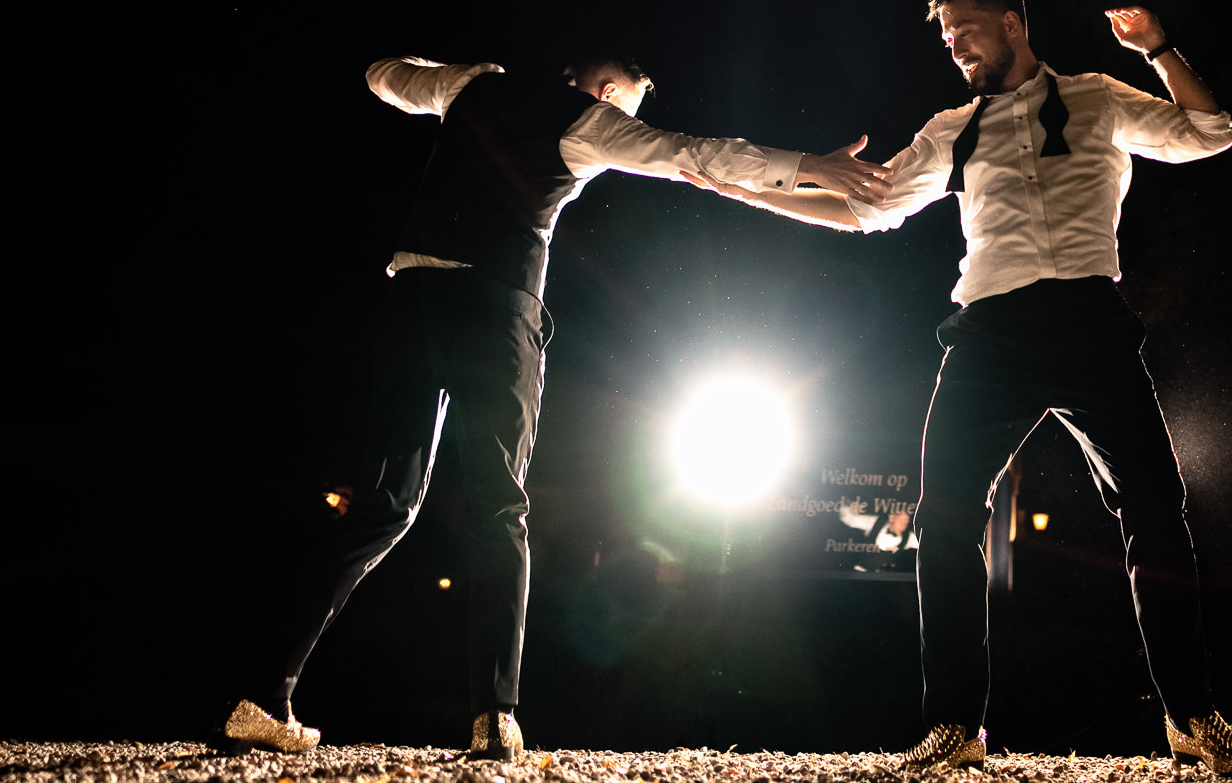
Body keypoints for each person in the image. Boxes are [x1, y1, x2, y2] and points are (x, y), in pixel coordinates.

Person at [213, 52, 892, 759]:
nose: (624, 121)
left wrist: (453, 68)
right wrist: (810, 164)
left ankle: (260, 696)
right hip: (495, 312)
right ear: (606, 93)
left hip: (410, 301)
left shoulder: (470, 86)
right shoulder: (589, 121)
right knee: (499, 507)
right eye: (626, 107)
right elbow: (694, 152)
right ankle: (494, 715)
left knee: (383, 505)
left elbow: (381, 76)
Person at [685, 0, 1232, 775]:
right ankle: (955, 725)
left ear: (1013, 25)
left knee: (1157, 512)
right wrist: (753, 194)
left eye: (966, 27)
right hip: (991, 331)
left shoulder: (1098, 96)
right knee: (946, 514)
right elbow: (868, 208)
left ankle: (1194, 718)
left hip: (1092, 323)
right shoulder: (950, 127)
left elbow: (1212, 132)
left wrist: (1159, 50)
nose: (955, 43)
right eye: (946, 33)